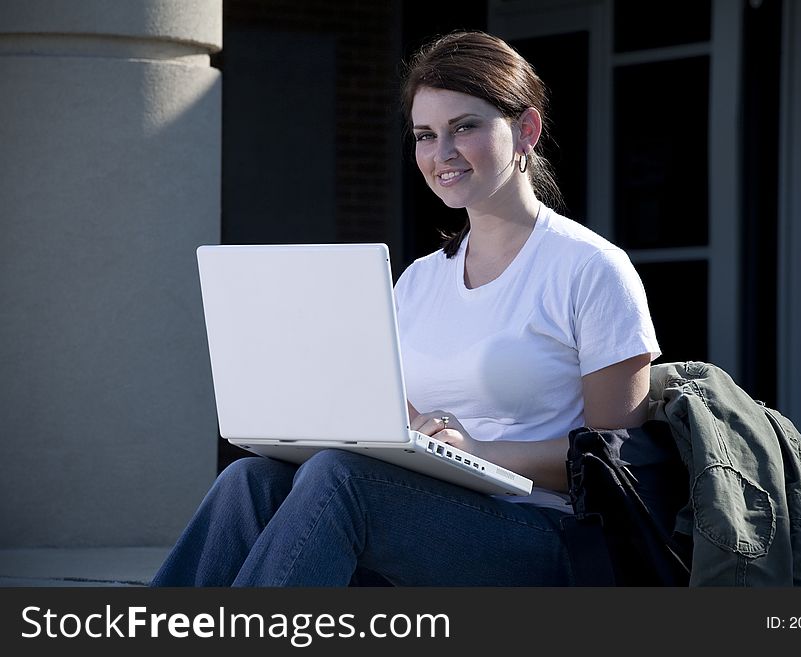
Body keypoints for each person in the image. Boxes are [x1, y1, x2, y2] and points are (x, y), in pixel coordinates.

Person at [151, 30, 661, 587]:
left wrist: (479, 450)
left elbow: (617, 456)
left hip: (548, 534)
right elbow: (395, 413)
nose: (441, 153)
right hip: (432, 508)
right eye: (424, 135)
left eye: (464, 127)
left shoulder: (590, 269)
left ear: (526, 130)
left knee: (338, 478)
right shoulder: (419, 281)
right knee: (249, 480)